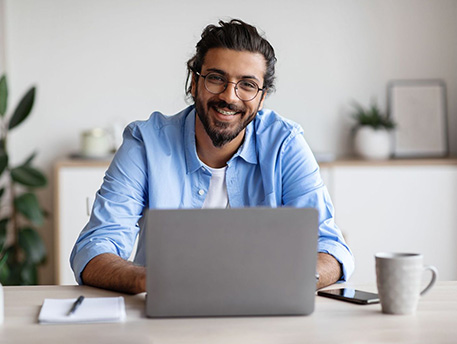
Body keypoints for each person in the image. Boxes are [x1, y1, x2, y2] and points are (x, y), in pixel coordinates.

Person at [70, 19, 354, 294]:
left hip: (265, 315)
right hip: (166, 317)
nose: (229, 96)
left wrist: (292, 279)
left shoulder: (285, 144)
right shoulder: (146, 144)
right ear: (194, 82)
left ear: (262, 97)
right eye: (217, 78)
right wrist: (149, 279)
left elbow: (331, 247)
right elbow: (94, 248)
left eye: (247, 85)